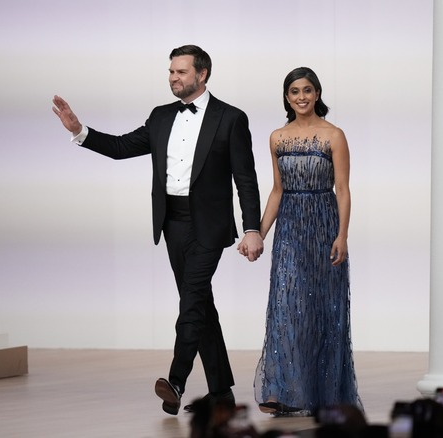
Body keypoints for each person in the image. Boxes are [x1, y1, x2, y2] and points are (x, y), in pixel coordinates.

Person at [51, 44, 264, 416]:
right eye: (170, 72)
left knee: (191, 300)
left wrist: (252, 229)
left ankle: (176, 380)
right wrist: (80, 131)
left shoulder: (231, 118)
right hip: (172, 223)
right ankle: (222, 394)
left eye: (181, 72)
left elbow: (246, 179)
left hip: (210, 226)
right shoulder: (161, 116)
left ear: (202, 74)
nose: (173, 78)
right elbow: (120, 147)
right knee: (200, 306)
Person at [252, 67, 361, 416]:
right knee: (286, 309)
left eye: (308, 90)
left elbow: (342, 190)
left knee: (323, 311)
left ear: (317, 94)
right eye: (294, 91)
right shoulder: (277, 138)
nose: (301, 97)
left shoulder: (334, 135)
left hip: (324, 226)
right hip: (289, 231)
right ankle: (282, 392)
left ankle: (324, 395)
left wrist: (342, 235)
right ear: (287, 97)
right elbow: (277, 190)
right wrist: (258, 232)